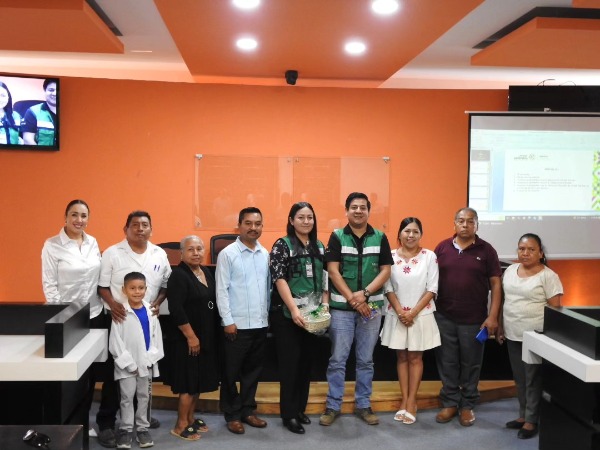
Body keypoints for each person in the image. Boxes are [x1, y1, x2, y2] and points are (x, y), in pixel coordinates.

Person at [97, 211, 171, 448]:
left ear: (151, 229)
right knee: (116, 376)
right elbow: (102, 287)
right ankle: (107, 423)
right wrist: (113, 304)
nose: (140, 229)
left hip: (148, 319)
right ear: (126, 229)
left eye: (145, 225)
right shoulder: (112, 253)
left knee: (143, 379)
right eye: (135, 225)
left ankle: (142, 422)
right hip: (120, 319)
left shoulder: (159, 254)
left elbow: (166, 285)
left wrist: (157, 303)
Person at [319, 192, 392, 427]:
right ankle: (333, 406)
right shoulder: (337, 236)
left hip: (371, 308)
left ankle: (363, 405)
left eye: (363, 207)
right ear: (347, 211)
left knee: (366, 361)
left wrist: (365, 294)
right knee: (337, 360)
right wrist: (353, 299)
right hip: (342, 309)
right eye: (354, 207)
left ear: (369, 211)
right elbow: (333, 271)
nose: (358, 211)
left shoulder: (380, 237)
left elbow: (386, 270)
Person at [433, 207, 502, 427]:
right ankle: (450, 402)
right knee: (447, 362)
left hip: (475, 320)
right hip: (444, 317)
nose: (465, 225)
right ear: (454, 223)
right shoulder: (442, 248)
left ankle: (467, 405)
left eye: (470, 221)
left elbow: (496, 285)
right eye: (461, 221)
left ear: (476, 225)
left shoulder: (487, 250)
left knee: (471, 364)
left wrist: (493, 316)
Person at [269, 202, 328, 434]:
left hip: (312, 317)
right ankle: (289, 414)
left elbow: (325, 278)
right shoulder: (282, 245)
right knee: (290, 366)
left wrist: (324, 306)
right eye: (301, 217)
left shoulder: (319, 246)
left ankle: (300, 409)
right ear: (291, 220)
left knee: (305, 365)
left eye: (310, 217)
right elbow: (279, 278)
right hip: (288, 316)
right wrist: (294, 309)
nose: (306, 221)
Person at [497, 233, 563, 439]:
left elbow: (555, 309)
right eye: (521, 249)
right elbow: (504, 301)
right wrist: (500, 326)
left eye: (531, 249)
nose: (525, 253)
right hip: (513, 333)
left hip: (536, 337)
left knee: (533, 379)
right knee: (520, 378)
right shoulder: (510, 271)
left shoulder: (548, 276)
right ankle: (523, 415)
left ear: (540, 253)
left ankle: (532, 420)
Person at [380, 217, 440, 425]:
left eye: (415, 231)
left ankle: (412, 401)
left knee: (415, 358)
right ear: (400, 233)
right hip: (397, 314)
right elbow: (387, 286)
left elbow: (432, 288)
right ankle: (404, 399)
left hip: (420, 315)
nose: (411, 235)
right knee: (402, 358)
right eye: (407, 231)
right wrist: (400, 311)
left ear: (420, 234)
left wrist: (412, 313)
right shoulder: (390, 256)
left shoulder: (429, 256)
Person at [216, 207, 270, 435]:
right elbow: (221, 290)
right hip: (236, 326)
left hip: (260, 324)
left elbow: (266, 289)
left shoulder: (265, 253)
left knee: (252, 372)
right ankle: (232, 415)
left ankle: (248, 411)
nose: (253, 228)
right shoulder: (227, 254)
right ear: (239, 226)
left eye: (257, 224)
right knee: (231, 373)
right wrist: (227, 320)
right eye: (248, 223)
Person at [165, 236, 220, 441]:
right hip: (187, 340)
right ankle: (180, 425)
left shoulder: (205, 271)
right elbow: (176, 309)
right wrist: (191, 336)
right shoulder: (178, 275)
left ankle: (190, 418)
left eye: (199, 249)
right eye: (190, 249)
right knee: (188, 384)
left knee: (197, 382)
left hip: (205, 337)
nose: (196, 253)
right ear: (181, 253)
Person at [109, 272, 164, 449]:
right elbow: (115, 342)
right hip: (127, 366)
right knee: (126, 397)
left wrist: (150, 358)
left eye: (141, 288)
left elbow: (156, 339)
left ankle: (142, 428)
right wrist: (128, 364)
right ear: (124, 290)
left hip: (145, 363)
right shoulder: (120, 313)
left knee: (144, 396)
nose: (137, 291)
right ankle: (125, 430)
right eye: (132, 288)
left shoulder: (151, 312)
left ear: (146, 289)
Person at [22, 78, 57, 146]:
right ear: (45, 91)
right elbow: (27, 140)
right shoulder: (32, 112)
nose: (54, 93)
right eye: (51, 90)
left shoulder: (71, 113)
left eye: (58, 90)